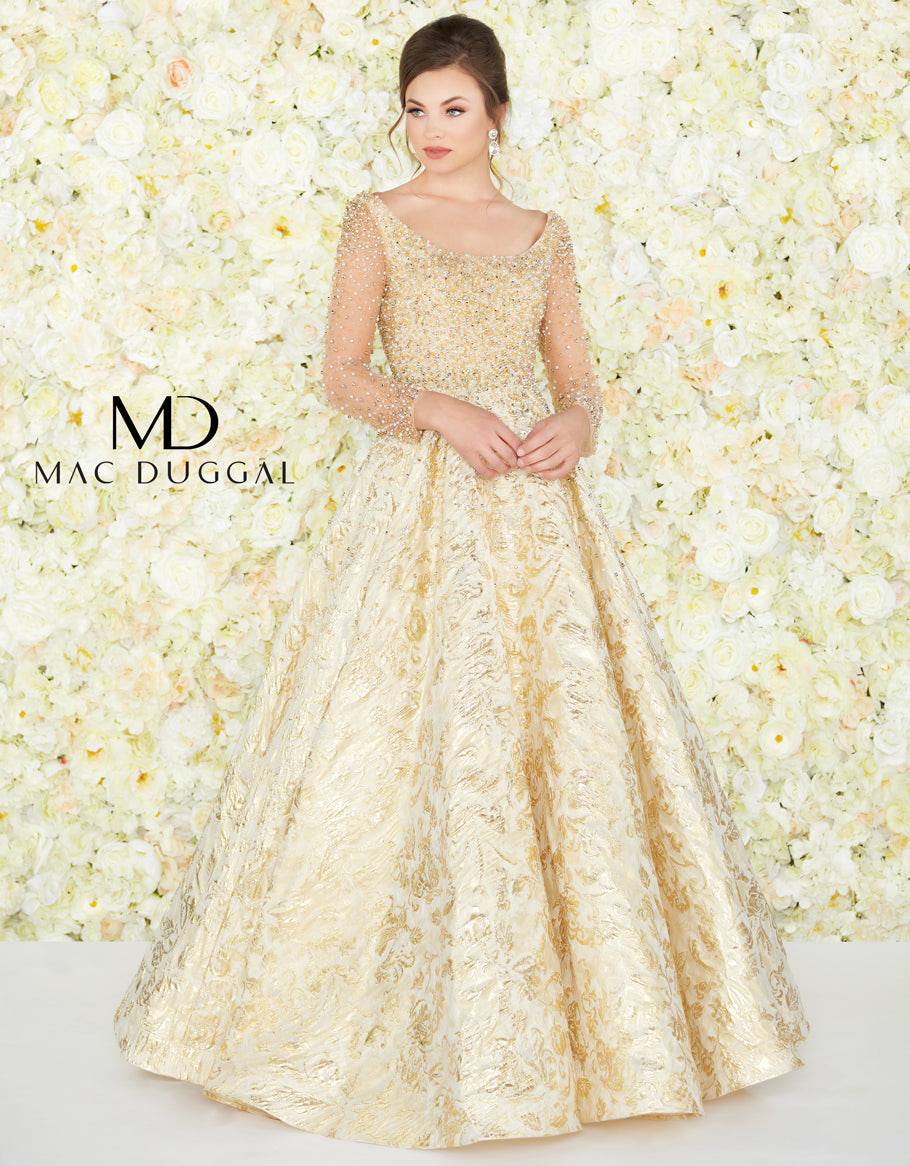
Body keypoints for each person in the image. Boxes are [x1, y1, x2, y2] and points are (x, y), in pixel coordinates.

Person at [113, 13, 810, 1151]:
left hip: (533, 514)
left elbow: (578, 379)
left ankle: (590, 1035)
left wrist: (576, 424)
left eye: (453, 106)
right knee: (385, 736)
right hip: (415, 513)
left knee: (557, 740)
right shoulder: (377, 219)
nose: (430, 128)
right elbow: (342, 374)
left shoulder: (543, 235)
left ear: (497, 113)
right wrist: (435, 407)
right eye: (415, 106)